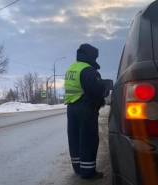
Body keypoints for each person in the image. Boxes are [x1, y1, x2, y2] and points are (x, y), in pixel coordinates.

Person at [64, 43, 109, 179]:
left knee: (75, 138)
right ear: (90, 56)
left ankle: (78, 168)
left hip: (71, 108)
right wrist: (105, 89)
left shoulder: (72, 68)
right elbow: (98, 90)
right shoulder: (88, 70)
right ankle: (88, 172)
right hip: (86, 108)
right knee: (88, 139)